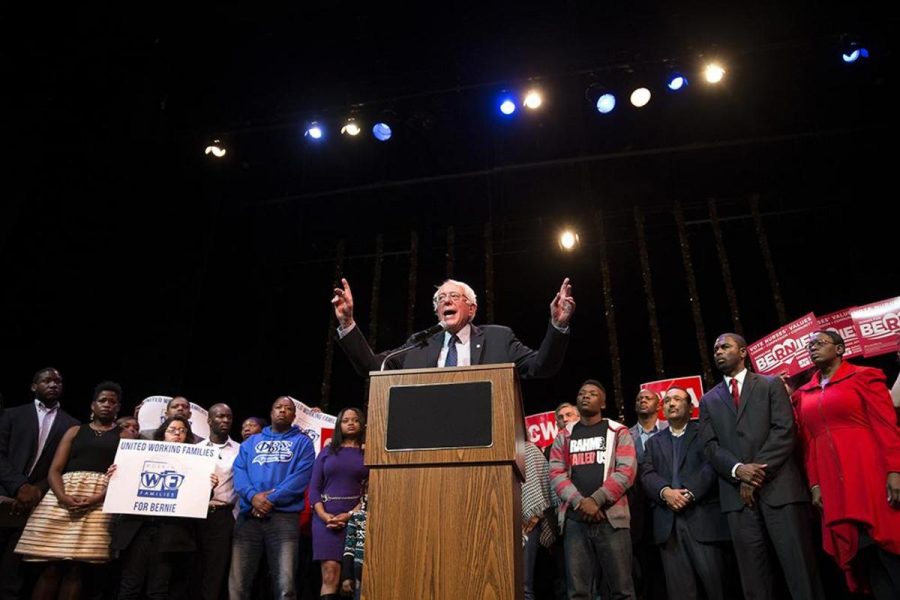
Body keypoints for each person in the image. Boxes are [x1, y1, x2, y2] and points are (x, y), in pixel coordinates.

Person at [698, 332, 824, 600]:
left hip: (780, 491)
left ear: (743, 352)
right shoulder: (708, 400)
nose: (718, 352)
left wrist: (753, 473)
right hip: (737, 500)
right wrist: (737, 470)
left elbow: (785, 430)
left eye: (725, 346)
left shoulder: (769, 385)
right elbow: (709, 446)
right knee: (754, 581)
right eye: (715, 348)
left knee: (800, 571)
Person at [792, 331, 900, 598]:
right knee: (862, 556)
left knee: (889, 546)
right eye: (809, 346)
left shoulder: (864, 377)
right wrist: (815, 484)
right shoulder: (804, 394)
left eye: (819, 343)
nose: (812, 348)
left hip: (869, 472)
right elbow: (807, 445)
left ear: (839, 348)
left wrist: (895, 470)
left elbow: (886, 427)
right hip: (833, 485)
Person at [332, 277, 575, 377]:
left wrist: (558, 325)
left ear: (472, 309)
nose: (446, 301)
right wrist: (347, 322)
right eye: (440, 299)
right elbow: (375, 367)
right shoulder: (420, 342)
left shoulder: (499, 338)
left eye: (454, 297)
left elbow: (542, 367)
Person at [14, 381, 124, 599]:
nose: (107, 405)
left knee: (76, 568)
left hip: (99, 500)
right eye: (102, 400)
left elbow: (123, 475)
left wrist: (96, 498)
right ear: (93, 406)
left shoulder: (125, 436)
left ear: (118, 408)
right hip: (62, 497)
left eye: (112, 402)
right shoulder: (75, 431)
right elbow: (55, 469)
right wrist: (63, 496)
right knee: (51, 566)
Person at [549, 379, 637, 600]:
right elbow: (556, 474)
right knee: (578, 593)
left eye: (592, 394)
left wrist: (596, 500)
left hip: (611, 519)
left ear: (604, 403)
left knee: (622, 591)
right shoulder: (564, 436)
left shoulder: (618, 431)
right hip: (575, 520)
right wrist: (581, 503)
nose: (585, 396)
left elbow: (626, 471)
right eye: (581, 393)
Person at [640, 387, 730, 600]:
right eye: (668, 400)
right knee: (680, 593)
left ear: (691, 408)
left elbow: (712, 464)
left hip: (703, 520)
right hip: (668, 527)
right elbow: (646, 473)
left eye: (677, 399)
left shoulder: (704, 433)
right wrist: (665, 492)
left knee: (718, 588)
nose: (671, 403)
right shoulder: (654, 442)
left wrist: (689, 493)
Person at [0, 367, 79, 599]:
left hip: (35, 504)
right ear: (34, 386)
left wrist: (36, 490)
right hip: (4, 493)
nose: (53, 384)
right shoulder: (11, 414)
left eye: (58, 381)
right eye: (47, 380)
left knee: (13, 574)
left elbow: (63, 468)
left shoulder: (71, 425)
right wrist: (19, 486)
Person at [229, 396, 316, 600]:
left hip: (284, 520)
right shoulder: (251, 443)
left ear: (294, 416)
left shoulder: (303, 443)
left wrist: (269, 499)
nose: (282, 411)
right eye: (278, 407)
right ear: (271, 412)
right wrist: (253, 496)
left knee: (285, 585)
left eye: (288, 409)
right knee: (238, 583)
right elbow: (239, 472)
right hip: (248, 517)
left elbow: (300, 477)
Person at [111, 415, 207, 599]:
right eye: (172, 430)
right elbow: (125, 485)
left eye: (182, 430)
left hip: (170, 530)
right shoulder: (143, 455)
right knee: (130, 584)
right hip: (139, 527)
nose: (177, 434)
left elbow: (199, 499)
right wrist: (117, 475)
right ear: (163, 434)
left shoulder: (196, 462)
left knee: (159, 588)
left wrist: (207, 485)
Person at [310, 407, 368, 600]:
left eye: (355, 420)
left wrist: (351, 514)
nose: (350, 423)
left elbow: (372, 491)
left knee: (353, 578)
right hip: (325, 519)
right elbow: (314, 488)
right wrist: (324, 515)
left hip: (356, 519)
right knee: (330, 574)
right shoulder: (327, 452)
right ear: (339, 425)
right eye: (345, 420)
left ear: (362, 424)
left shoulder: (368, 453)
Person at [195, 403, 240, 600]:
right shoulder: (194, 449)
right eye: (220, 416)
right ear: (209, 420)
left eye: (228, 417)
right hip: (194, 514)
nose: (225, 420)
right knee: (193, 567)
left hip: (223, 516)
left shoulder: (240, 450)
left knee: (216, 570)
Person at [627, 388, 668, 600]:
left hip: (668, 506)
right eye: (639, 398)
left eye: (647, 398)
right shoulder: (625, 435)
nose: (642, 400)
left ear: (658, 405)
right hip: (638, 512)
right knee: (643, 570)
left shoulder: (671, 429)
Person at [522, 441, 553, 600]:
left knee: (524, 586)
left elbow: (546, 484)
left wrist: (536, 512)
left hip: (528, 525)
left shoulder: (529, 449)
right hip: (501, 520)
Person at [139, 396, 203, 443]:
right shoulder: (146, 436)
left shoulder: (199, 442)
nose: (180, 408)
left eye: (185, 407)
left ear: (190, 415)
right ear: (167, 414)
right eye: (175, 407)